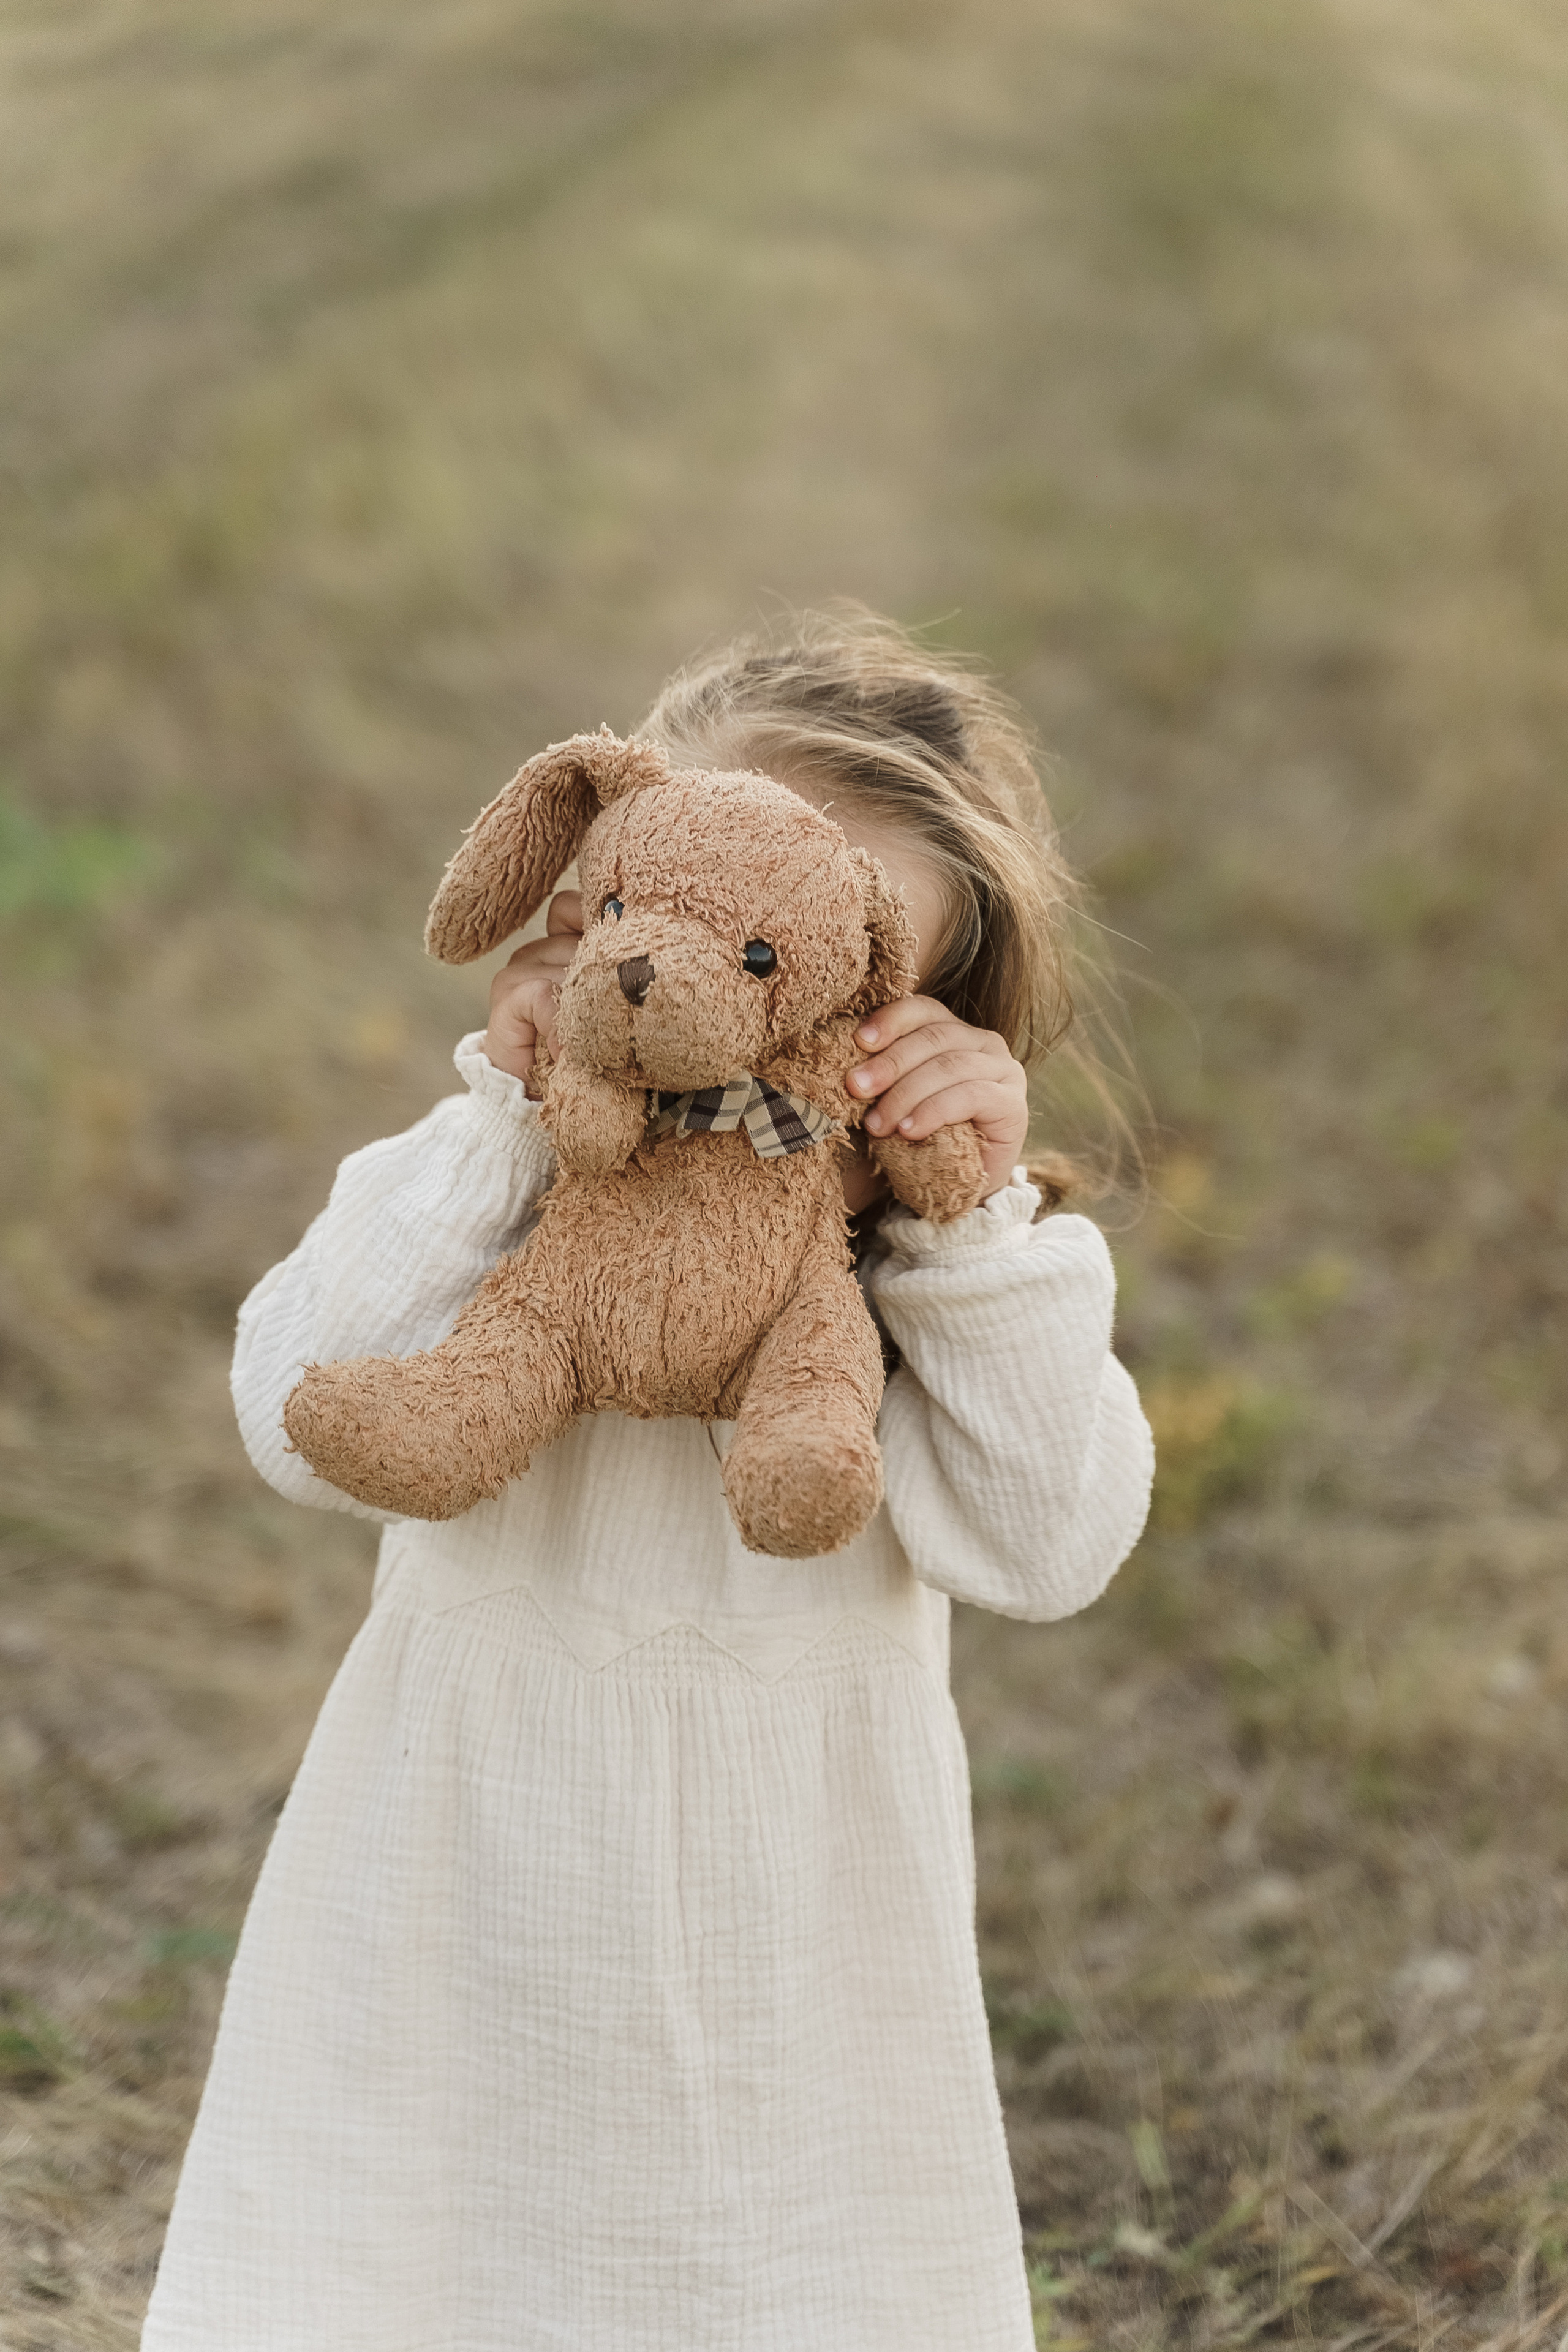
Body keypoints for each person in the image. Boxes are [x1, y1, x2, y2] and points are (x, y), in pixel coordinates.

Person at [141, 611, 1154, 2352]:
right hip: (458, 1887)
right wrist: (504, 1114)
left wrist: (969, 1221)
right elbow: (284, 1412)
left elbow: (1050, 1548)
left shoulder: (943, 1261)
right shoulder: (505, 1172)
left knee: (771, 2281)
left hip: (799, 1930)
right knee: (404, 2270)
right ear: (595, 897)